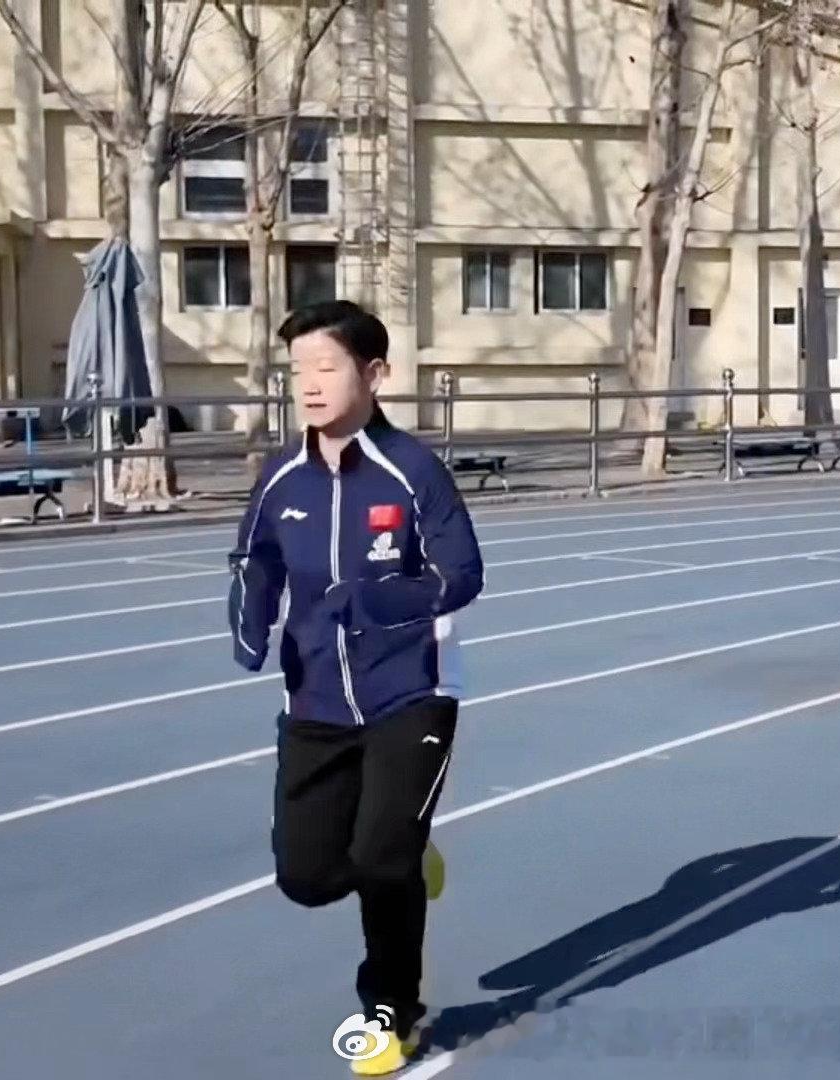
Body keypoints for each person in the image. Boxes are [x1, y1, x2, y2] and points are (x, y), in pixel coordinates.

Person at [228, 300, 484, 1075]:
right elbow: (254, 558)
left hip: (410, 692)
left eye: (326, 367)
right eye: (297, 370)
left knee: (381, 859)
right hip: (314, 701)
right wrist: (250, 623)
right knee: (306, 878)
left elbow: (461, 574)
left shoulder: (412, 471)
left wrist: (375, 601)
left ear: (375, 375)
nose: (309, 384)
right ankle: (406, 850)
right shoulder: (282, 476)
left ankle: (392, 1012)